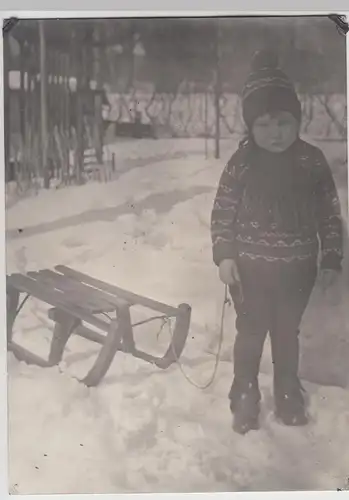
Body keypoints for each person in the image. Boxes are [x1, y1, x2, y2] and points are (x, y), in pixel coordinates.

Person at [210, 50, 343, 435]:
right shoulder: (242, 162)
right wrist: (224, 255)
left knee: (287, 333)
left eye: (284, 122)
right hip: (249, 270)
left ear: (297, 121)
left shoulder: (311, 161)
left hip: (296, 269)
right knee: (251, 332)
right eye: (265, 124)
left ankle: (287, 390)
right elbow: (223, 211)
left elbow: (328, 212)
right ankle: (245, 391)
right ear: (251, 126)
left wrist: (331, 257)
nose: (276, 132)